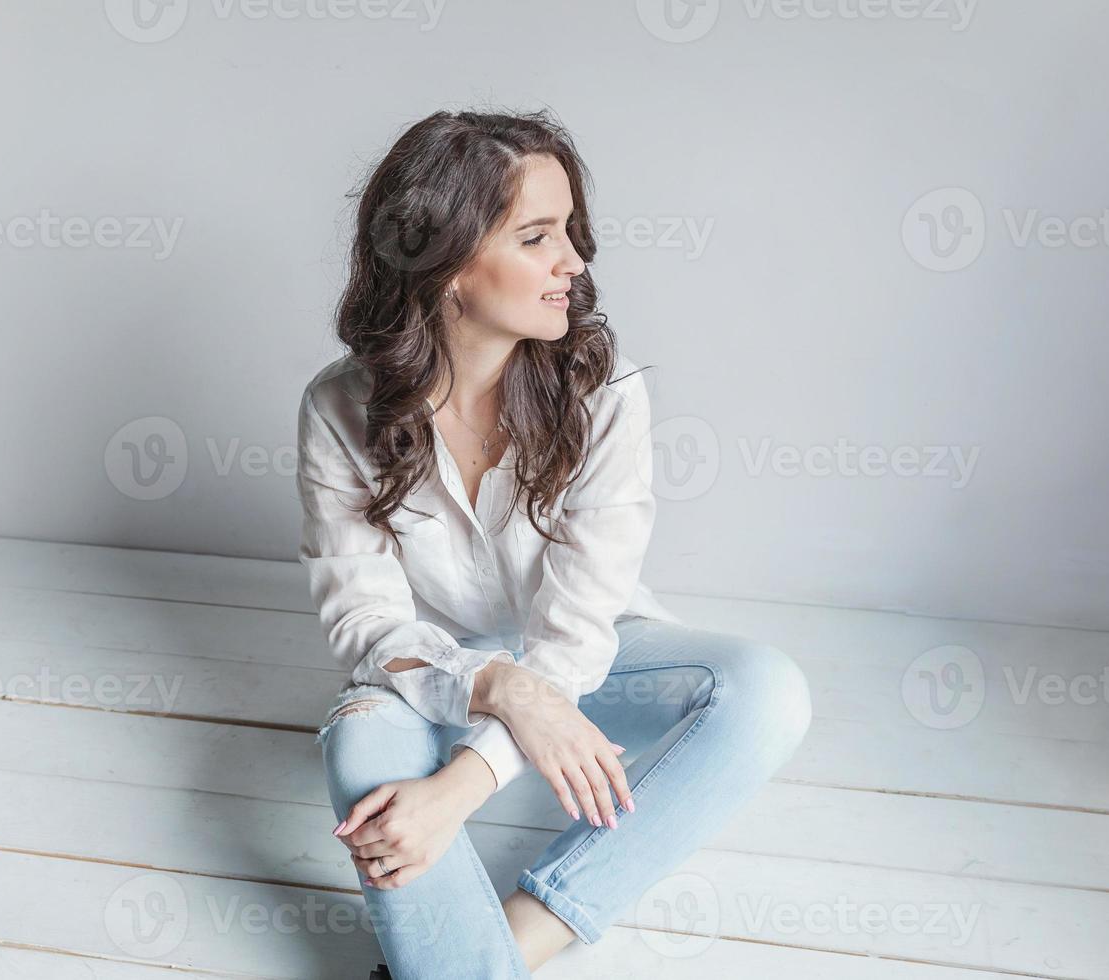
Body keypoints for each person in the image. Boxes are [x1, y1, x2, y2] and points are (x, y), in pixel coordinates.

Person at [296, 108, 813, 979]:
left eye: (570, 231)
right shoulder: (337, 407)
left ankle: (509, 944)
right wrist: (498, 688)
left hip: (589, 659)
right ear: (448, 266)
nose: (574, 261)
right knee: (358, 746)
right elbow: (367, 622)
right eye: (538, 236)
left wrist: (465, 783)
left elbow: (576, 637)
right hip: (432, 669)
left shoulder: (604, 392)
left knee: (768, 693)